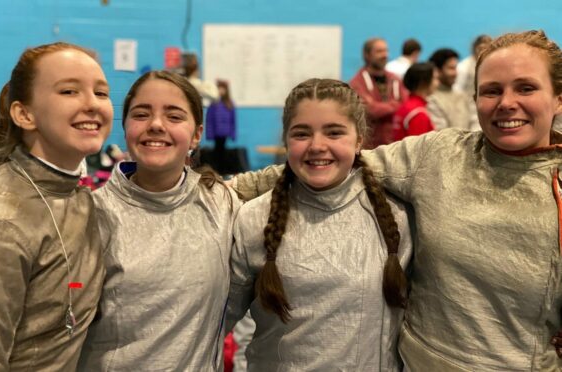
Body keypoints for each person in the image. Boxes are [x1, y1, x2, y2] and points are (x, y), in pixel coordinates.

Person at [231, 30, 562, 370]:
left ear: (558, 97)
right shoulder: (439, 155)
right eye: (492, 90)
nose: (506, 102)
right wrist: (214, 192)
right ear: (475, 96)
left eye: (526, 88)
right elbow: (338, 161)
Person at [226, 78, 412, 370]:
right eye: (301, 134)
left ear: (360, 139)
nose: (317, 146)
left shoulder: (397, 217)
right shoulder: (253, 219)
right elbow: (213, 324)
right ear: (286, 139)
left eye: (334, 132)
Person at [78, 71, 238, 371]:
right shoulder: (91, 215)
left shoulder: (222, 203)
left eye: (174, 116)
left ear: (196, 134)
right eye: (141, 114)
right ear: (125, 128)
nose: (155, 125)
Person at [0, 42, 112, 370]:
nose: (92, 104)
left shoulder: (77, 194)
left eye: (101, 93)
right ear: (24, 114)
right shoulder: (4, 218)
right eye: (69, 91)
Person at [350, 38, 407, 148]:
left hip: (394, 146)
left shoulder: (395, 80)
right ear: (367, 55)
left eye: (386, 51)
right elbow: (369, 110)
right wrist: (394, 104)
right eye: (379, 51)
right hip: (369, 147)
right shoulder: (357, 82)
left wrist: (377, 106)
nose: (385, 55)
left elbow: (405, 106)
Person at [427, 48, 479, 131]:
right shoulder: (431, 100)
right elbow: (441, 134)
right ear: (438, 71)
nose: (455, 73)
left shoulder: (463, 96)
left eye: (455, 68)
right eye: (451, 68)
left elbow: (476, 122)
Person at [393, 62, 439, 141]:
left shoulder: (406, 106)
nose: (438, 82)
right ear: (423, 82)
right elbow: (418, 150)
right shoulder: (418, 113)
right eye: (435, 78)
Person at [205, 79, 237, 174]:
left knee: (223, 153)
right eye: (219, 88)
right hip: (216, 133)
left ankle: (223, 171)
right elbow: (209, 120)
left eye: (223, 89)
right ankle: (216, 171)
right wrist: (209, 134)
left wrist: (233, 134)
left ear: (226, 90)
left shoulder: (229, 104)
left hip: (225, 133)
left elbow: (233, 121)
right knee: (217, 153)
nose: (221, 91)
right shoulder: (213, 104)